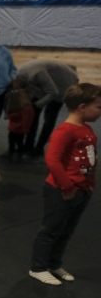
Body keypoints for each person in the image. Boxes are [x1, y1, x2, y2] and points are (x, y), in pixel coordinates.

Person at [28, 83, 100, 285]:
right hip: (62, 190)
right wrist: (67, 186)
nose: (100, 111)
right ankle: (38, 267)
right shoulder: (65, 131)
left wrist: (89, 183)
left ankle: (53, 264)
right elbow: (52, 160)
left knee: (66, 231)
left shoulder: (86, 129)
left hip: (82, 190)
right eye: (99, 107)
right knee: (51, 229)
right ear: (82, 107)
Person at [16, 60, 79, 157]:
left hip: (64, 84)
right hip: (49, 80)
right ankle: (29, 145)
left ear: (17, 80)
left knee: (49, 116)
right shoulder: (21, 73)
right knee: (33, 113)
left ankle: (39, 148)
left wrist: (37, 104)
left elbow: (53, 92)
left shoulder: (36, 73)